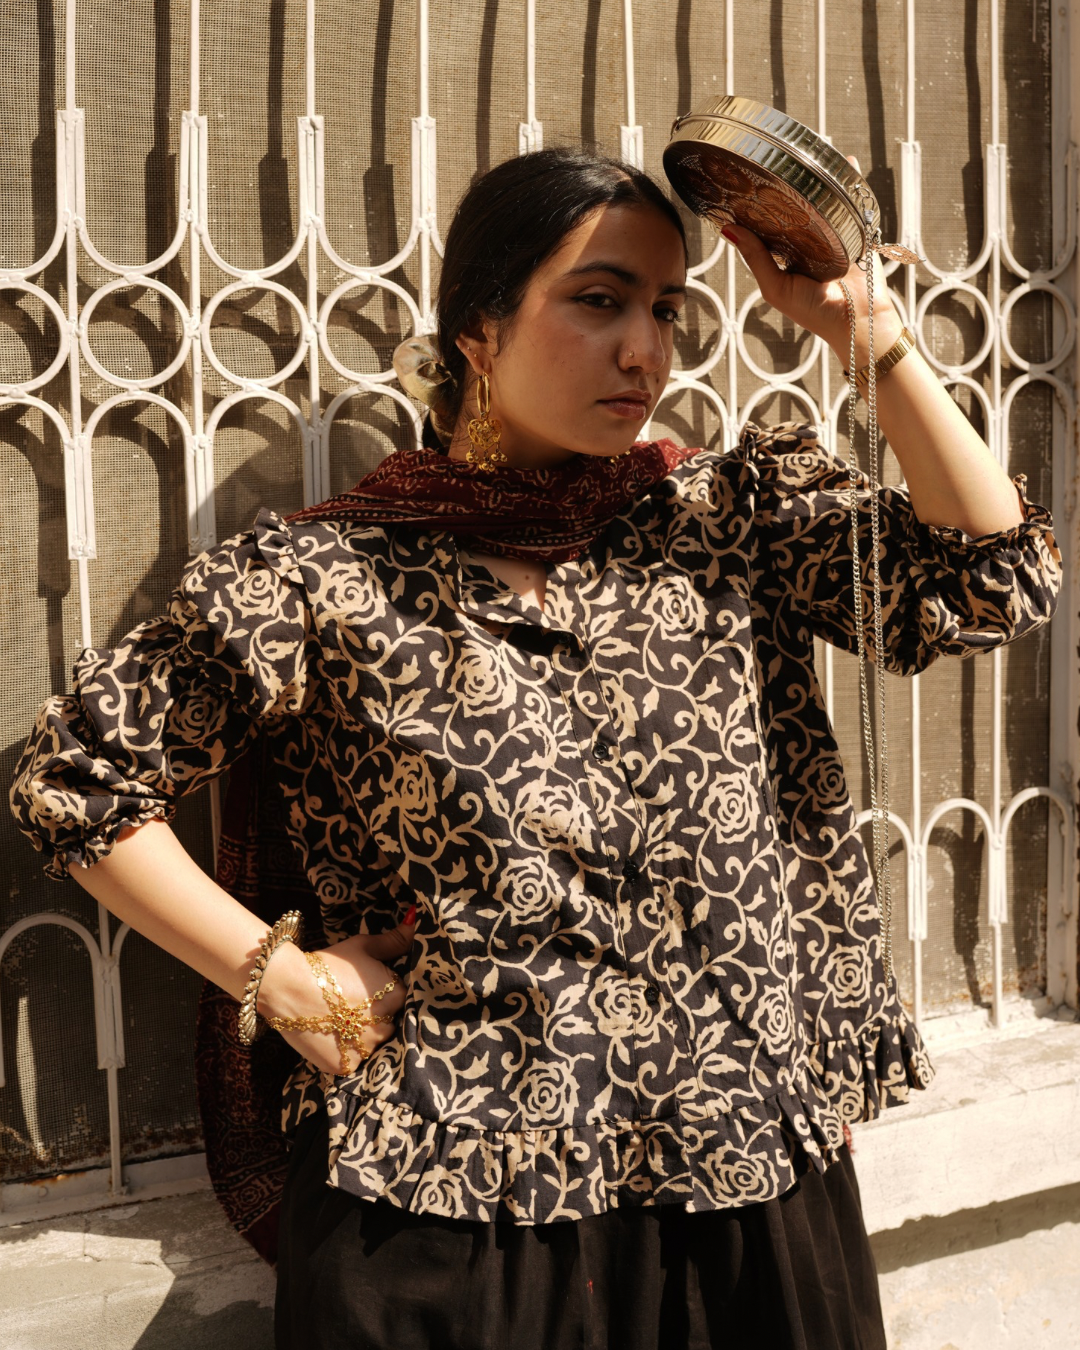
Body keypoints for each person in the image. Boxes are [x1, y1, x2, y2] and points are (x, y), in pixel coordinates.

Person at [9, 148, 1059, 1350]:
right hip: (455, 1211)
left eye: (667, 310)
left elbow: (990, 582)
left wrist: (866, 333)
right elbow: (77, 780)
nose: (645, 350)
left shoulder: (725, 521)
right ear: (479, 329)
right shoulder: (324, 578)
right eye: (599, 300)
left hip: (741, 1182)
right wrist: (284, 982)